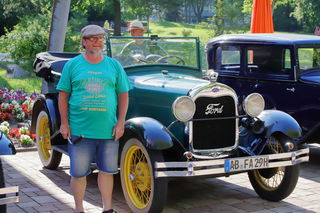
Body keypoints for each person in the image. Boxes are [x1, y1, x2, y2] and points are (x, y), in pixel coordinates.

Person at [56, 24, 131, 213]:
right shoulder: (72, 65)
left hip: (108, 130)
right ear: (84, 42)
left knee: (107, 172)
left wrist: (121, 122)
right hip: (80, 131)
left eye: (101, 38)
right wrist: (64, 123)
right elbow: (63, 95)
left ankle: (107, 209)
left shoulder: (114, 65)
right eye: (93, 38)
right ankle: (79, 209)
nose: (98, 42)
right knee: (79, 173)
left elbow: (123, 95)